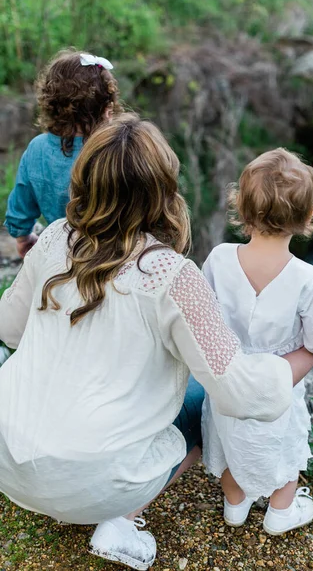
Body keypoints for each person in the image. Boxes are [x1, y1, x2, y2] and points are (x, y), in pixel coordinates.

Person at [0, 115, 296, 570]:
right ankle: (121, 520)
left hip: (10, 461)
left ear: (85, 179)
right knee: (204, 397)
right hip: (96, 482)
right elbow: (241, 393)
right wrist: (289, 367)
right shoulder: (172, 274)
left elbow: (9, 330)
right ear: (161, 191)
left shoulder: (55, 237)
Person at [201, 148, 313, 536]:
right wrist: (294, 362)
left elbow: (202, 319)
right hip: (280, 386)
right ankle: (281, 513)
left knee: (229, 444)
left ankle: (236, 504)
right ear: (309, 215)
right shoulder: (307, 279)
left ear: (240, 207)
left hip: (228, 380)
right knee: (284, 450)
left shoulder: (218, 258)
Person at [4, 49, 121, 258]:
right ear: (105, 108)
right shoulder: (114, 149)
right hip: (114, 255)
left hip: (63, 256)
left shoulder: (37, 149)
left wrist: (23, 238)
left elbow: (20, 208)